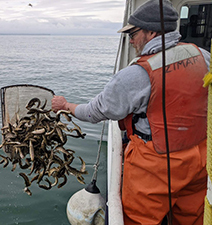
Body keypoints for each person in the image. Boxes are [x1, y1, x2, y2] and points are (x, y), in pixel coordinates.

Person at [51, 0, 211, 224]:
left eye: (133, 33)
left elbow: (95, 112)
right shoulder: (202, 55)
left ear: (151, 32)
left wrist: (66, 106)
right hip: (201, 158)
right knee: (193, 217)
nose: (131, 39)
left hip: (156, 167)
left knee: (138, 219)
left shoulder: (136, 74)